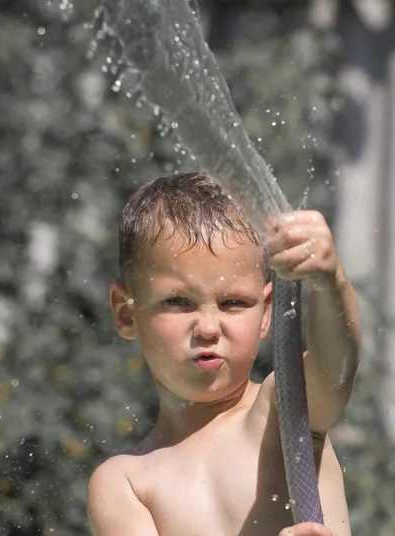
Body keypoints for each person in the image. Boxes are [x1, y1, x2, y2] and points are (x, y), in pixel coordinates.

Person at [87, 173, 359, 536]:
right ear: (125, 312)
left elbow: (336, 366)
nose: (208, 327)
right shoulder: (127, 484)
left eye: (233, 302)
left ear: (266, 313)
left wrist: (330, 281)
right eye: (178, 302)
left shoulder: (284, 413)